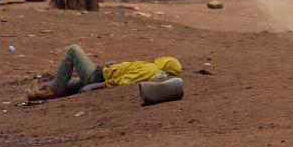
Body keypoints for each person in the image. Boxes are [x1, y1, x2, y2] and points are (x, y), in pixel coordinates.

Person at [28, 45, 182, 100]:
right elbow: (125, 72)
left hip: (97, 76)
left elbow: (124, 81)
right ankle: (37, 93)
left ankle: (54, 89)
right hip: (101, 74)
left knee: (73, 50)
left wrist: (96, 86)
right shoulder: (153, 70)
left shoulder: (151, 69)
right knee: (68, 83)